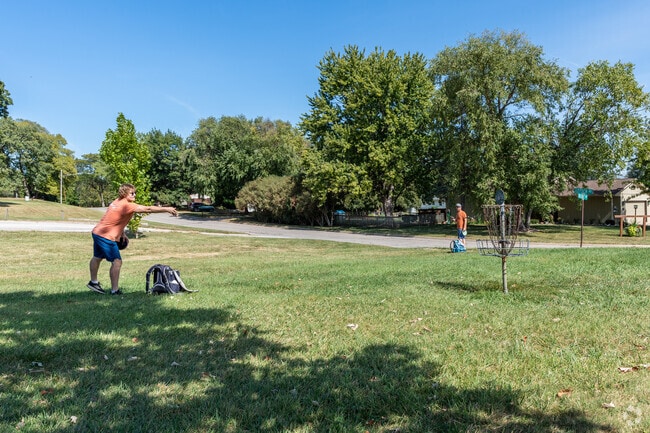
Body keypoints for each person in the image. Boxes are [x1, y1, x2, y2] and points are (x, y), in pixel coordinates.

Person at [87, 183, 178, 295]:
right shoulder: (127, 205)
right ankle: (114, 290)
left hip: (97, 232)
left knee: (97, 257)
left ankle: (93, 282)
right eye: (132, 193)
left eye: (135, 192)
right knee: (117, 261)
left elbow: (115, 220)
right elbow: (148, 208)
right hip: (106, 236)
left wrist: (122, 233)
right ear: (124, 194)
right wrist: (166, 209)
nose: (135, 194)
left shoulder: (116, 202)